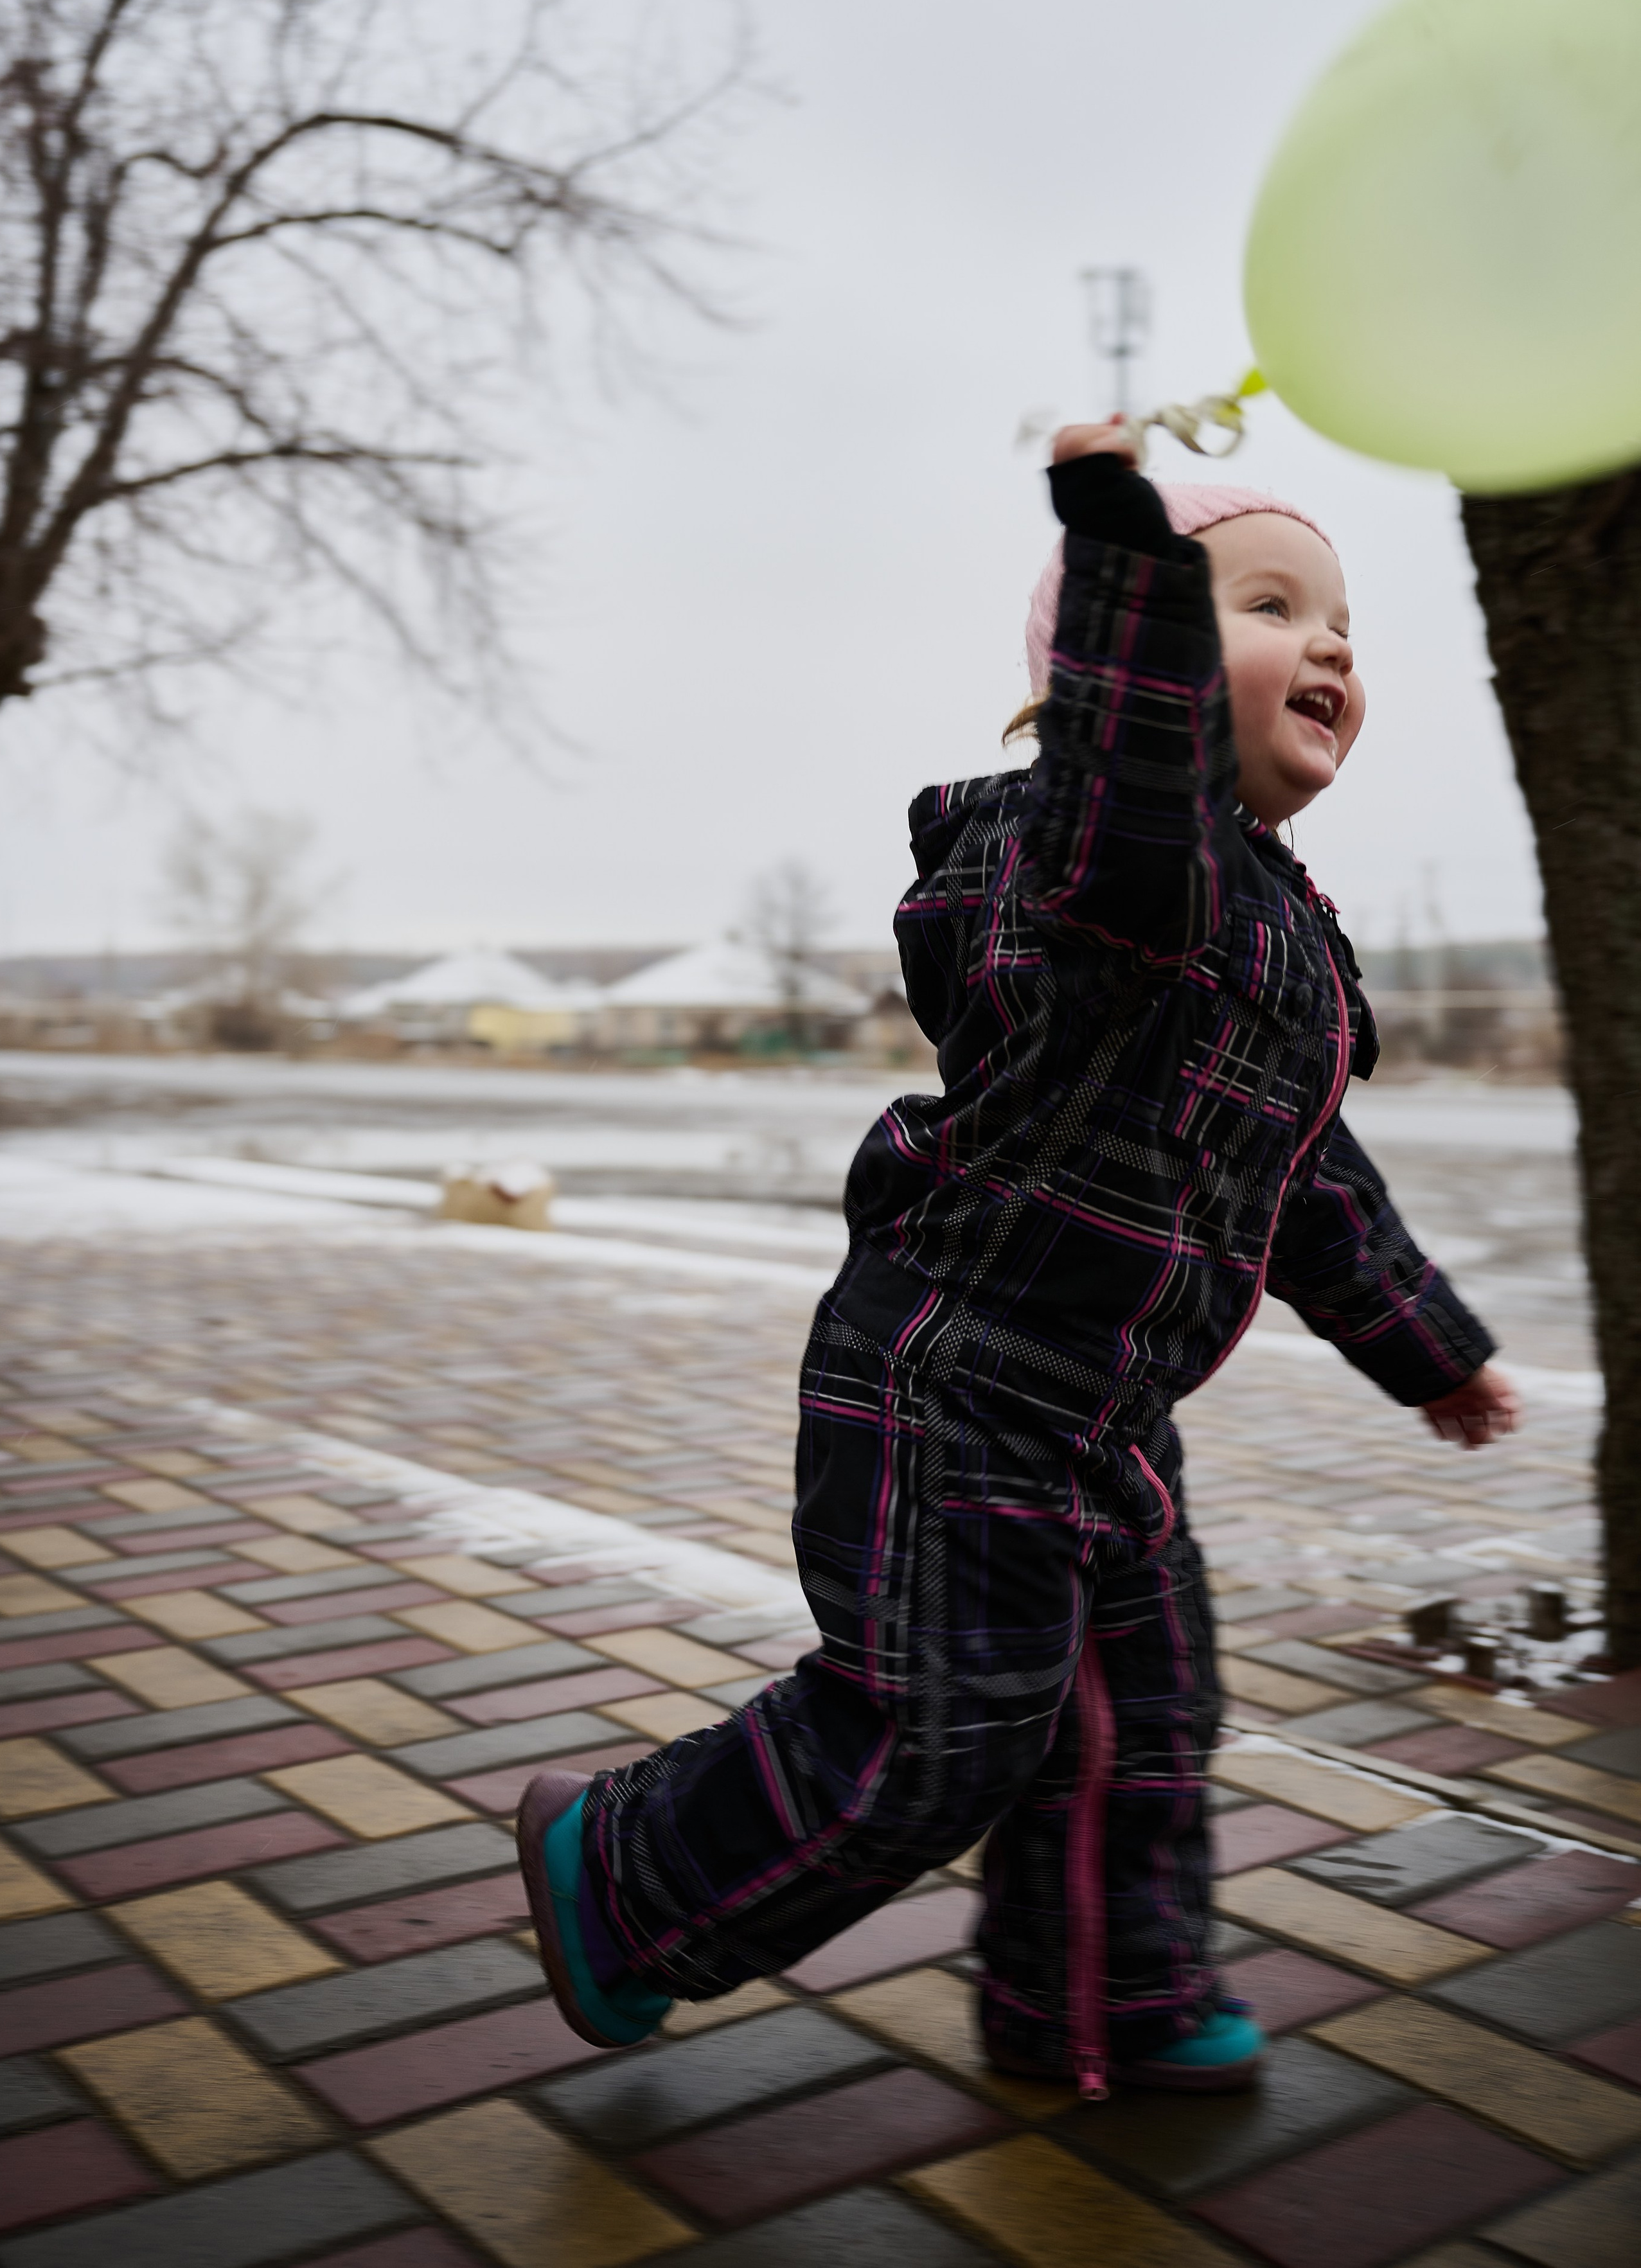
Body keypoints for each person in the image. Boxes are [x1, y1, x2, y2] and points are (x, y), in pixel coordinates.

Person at [516, 423, 1517, 2098]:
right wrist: (1127, 556)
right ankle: (625, 1876)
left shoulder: (1279, 934)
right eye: (1273, 605)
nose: (1335, 644)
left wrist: (1431, 1346)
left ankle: (1104, 2001)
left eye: (1347, 622)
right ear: (1131, 663)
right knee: (948, 1729)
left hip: (1106, 1420)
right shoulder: (1097, 865)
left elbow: (1309, 1182)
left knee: (1139, 1727)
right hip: (956, 1377)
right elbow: (1138, 777)